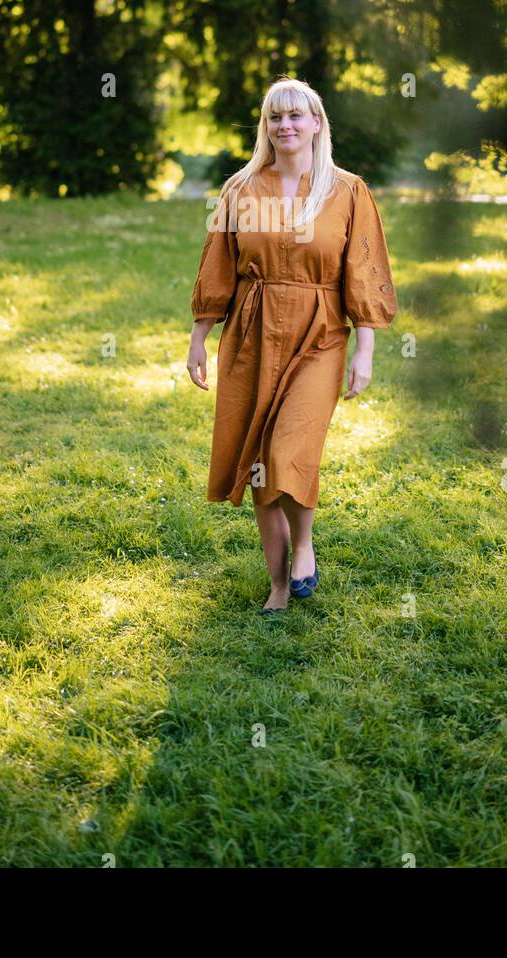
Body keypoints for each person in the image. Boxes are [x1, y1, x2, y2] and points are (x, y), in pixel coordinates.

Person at [187, 77, 397, 614]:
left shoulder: (346, 192)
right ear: (266, 127)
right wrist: (199, 339)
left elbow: (363, 271)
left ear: (316, 123)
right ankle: (279, 584)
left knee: (288, 452)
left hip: (320, 334)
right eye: (275, 117)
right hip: (251, 334)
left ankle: (303, 547)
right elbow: (218, 265)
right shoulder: (241, 189)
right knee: (259, 458)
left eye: (296, 116)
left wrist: (365, 350)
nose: (286, 126)